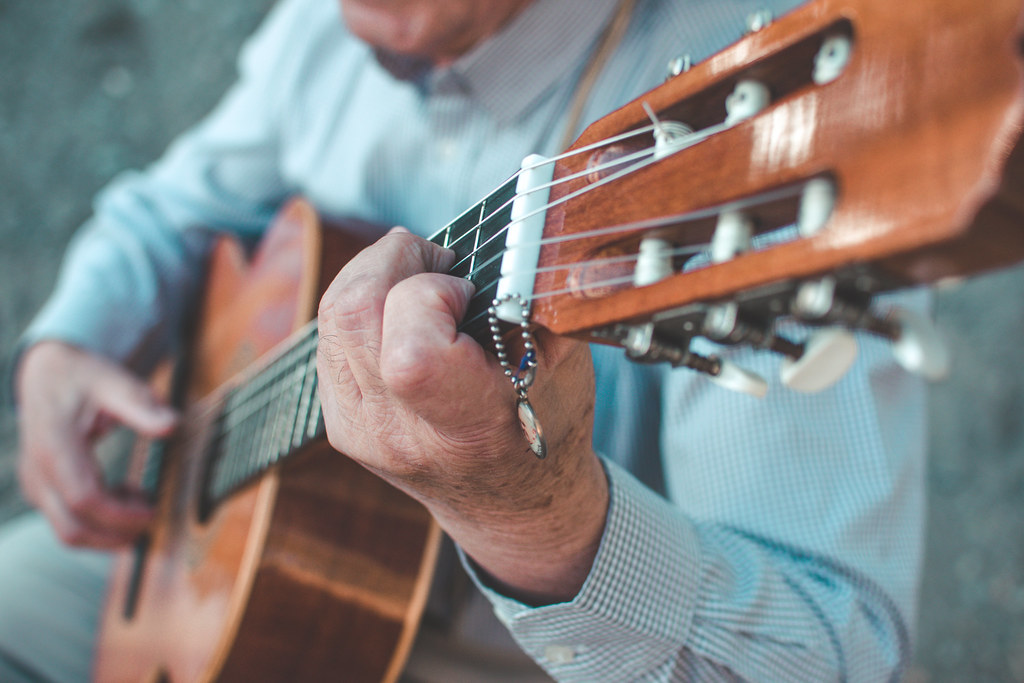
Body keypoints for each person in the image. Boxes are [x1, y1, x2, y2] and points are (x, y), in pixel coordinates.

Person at [0, 0, 929, 680]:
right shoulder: (330, 26)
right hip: (196, 560)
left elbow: (835, 653)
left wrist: (534, 521)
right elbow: (168, 211)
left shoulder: (746, 123)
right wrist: (64, 343)